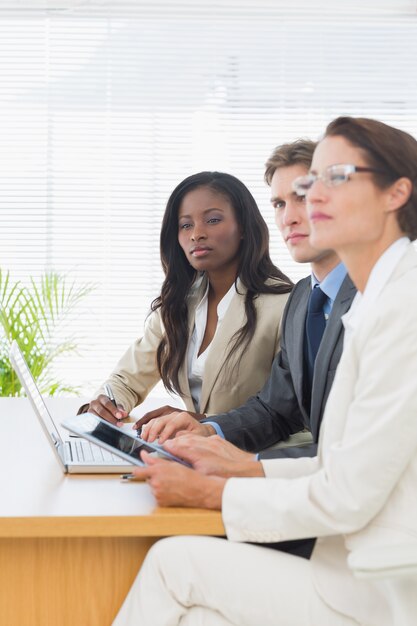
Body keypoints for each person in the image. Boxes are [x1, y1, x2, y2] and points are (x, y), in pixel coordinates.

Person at [112, 117, 417, 626]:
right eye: (303, 186)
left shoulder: (401, 306)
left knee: (172, 562)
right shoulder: (373, 297)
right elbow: (338, 457)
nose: (310, 198)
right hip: (352, 563)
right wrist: (238, 463)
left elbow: (347, 492)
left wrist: (218, 492)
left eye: (335, 177)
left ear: (396, 193)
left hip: (382, 584)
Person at [136, 140, 356, 464]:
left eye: (303, 197)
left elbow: (360, 450)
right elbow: (275, 410)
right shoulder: (303, 300)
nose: (289, 218)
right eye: (279, 204)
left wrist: (241, 470)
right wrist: (208, 431)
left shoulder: (379, 296)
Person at [80, 171, 292, 423]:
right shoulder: (179, 303)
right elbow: (128, 379)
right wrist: (108, 405)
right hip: (194, 455)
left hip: (253, 458)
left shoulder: (284, 306)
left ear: (244, 227)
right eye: (186, 225)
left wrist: (202, 422)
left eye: (213, 220)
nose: (196, 234)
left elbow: (290, 415)